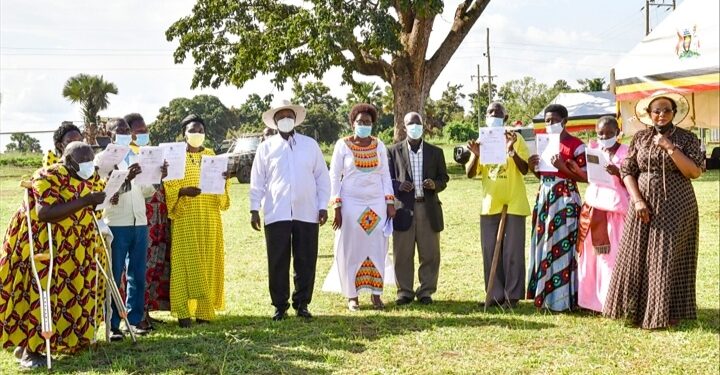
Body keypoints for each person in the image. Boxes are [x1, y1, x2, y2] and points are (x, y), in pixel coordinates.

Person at [0, 142, 107, 369]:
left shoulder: (91, 176)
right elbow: (45, 212)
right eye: (83, 162)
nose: (88, 166)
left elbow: (96, 206)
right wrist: (87, 201)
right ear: (67, 161)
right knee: (43, 295)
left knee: (75, 293)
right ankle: (32, 350)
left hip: (78, 245)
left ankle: (71, 340)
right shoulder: (47, 176)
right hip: (47, 246)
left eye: (91, 160)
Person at [604, 94, 703, 329]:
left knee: (666, 258)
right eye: (656, 111)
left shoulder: (686, 139)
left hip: (677, 206)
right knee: (635, 254)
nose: (661, 115)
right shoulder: (640, 138)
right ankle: (634, 310)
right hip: (642, 203)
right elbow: (627, 170)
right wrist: (637, 200)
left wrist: (670, 148)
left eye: (666, 110)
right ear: (649, 114)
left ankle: (665, 312)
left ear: (674, 113)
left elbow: (694, 172)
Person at [249, 100, 330, 321]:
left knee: (306, 259)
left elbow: (322, 177)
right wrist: (254, 209)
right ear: (274, 122)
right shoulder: (266, 147)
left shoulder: (309, 145)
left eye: (289, 115)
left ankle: (302, 303)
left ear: (295, 120)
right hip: (277, 212)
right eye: (281, 116)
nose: (285, 119)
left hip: (307, 211)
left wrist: (323, 205)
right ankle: (280, 305)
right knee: (277, 260)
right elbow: (257, 180)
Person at [322, 103, 396, 311]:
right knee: (350, 249)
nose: (364, 125)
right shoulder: (342, 145)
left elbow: (384, 175)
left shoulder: (379, 144)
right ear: (352, 123)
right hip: (351, 203)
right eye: (360, 122)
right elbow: (335, 175)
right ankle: (352, 295)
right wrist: (336, 204)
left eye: (368, 122)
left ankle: (376, 293)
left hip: (376, 204)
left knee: (377, 247)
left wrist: (389, 202)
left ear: (373, 124)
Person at [100, 118, 165, 341]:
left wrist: (157, 177)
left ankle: (134, 319)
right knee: (115, 273)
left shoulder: (135, 156)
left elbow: (145, 192)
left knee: (137, 273)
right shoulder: (102, 161)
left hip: (139, 222)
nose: (126, 134)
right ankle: (113, 324)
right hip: (116, 223)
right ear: (109, 135)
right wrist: (126, 177)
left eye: (127, 130)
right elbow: (104, 194)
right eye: (120, 131)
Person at [163, 114, 231, 328]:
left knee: (208, 263)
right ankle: (183, 313)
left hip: (209, 217)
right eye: (192, 131)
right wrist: (182, 191)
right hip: (185, 217)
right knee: (184, 264)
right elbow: (169, 187)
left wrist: (224, 178)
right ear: (184, 133)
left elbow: (223, 196)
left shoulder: (212, 156)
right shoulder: (174, 157)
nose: (197, 135)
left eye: (201, 131)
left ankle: (204, 311)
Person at [465, 102, 530, 308]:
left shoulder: (516, 138)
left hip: (514, 202)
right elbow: (470, 173)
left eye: (498, 113)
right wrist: (475, 154)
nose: (494, 115)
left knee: (512, 252)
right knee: (490, 251)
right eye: (490, 112)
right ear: (485, 116)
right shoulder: (482, 140)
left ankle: (512, 296)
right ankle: (494, 294)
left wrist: (511, 151)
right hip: (490, 204)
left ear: (506, 117)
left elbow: (525, 169)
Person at [526, 104, 587, 312]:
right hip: (545, 197)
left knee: (563, 246)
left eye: (554, 120)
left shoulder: (576, 145)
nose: (550, 124)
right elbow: (542, 176)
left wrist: (563, 168)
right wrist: (533, 166)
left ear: (565, 121)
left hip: (565, 200)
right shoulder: (542, 143)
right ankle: (544, 295)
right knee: (545, 245)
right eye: (547, 120)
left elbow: (586, 178)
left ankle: (563, 299)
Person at [387, 112, 448, 305]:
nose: (415, 126)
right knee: (402, 253)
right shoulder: (393, 151)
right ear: (404, 127)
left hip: (427, 207)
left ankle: (426, 291)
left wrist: (434, 184)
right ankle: (404, 291)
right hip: (403, 208)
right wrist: (398, 186)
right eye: (411, 124)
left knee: (430, 252)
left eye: (418, 123)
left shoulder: (435, 152)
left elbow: (444, 178)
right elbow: (386, 179)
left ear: (423, 126)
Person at [574, 116, 629, 313]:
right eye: (600, 133)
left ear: (617, 132)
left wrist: (618, 172)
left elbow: (633, 181)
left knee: (611, 258)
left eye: (608, 133)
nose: (604, 137)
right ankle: (590, 301)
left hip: (615, 211)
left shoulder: (626, 152)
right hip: (593, 207)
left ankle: (611, 301)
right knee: (591, 258)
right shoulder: (594, 150)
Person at [124, 113, 171, 331]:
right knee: (141, 265)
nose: (144, 134)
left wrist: (162, 173)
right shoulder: (125, 156)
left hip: (158, 214)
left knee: (156, 263)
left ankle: (147, 310)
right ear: (129, 132)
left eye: (146, 130)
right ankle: (135, 314)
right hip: (142, 217)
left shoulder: (151, 153)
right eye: (139, 131)